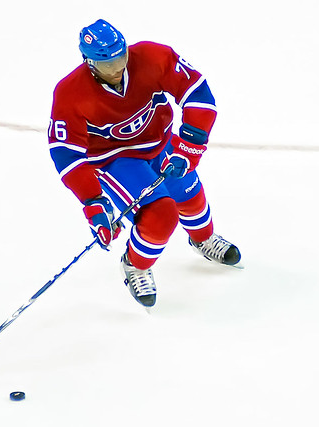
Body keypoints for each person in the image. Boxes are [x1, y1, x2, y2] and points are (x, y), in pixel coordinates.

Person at [48, 19, 241, 308]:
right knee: (161, 215)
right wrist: (93, 201)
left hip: (160, 144)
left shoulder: (152, 57)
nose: (116, 68)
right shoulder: (69, 93)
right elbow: (67, 155)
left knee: (190, 195)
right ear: (88, 62)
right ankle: (136, 265)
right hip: (115, 160)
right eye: (106, 63)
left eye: (120, 56)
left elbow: (199, 95)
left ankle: (203, 240)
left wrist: (189, 147)